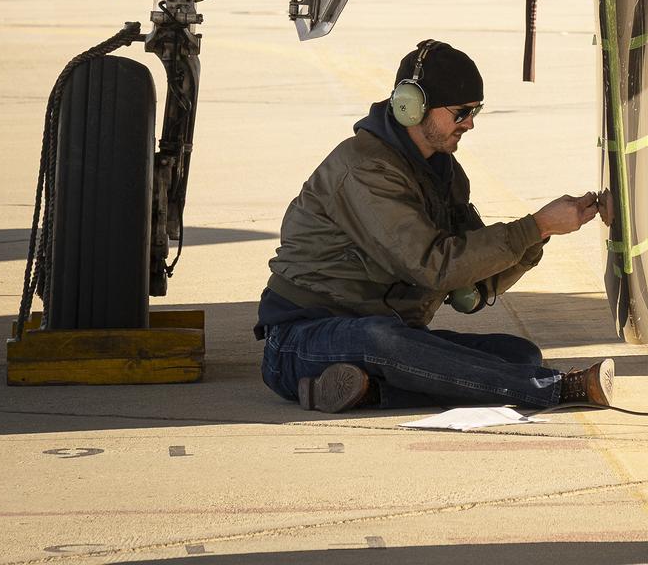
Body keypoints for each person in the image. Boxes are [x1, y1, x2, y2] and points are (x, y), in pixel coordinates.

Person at [256, 38, 613, 414]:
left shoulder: (444, 174)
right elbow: (435, 267)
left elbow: (472, 286)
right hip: (304, 341)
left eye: (476, 111)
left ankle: (372, 393)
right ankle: (557, 389)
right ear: (411, 107)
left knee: (520, 354)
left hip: (386, 333)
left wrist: (542, 233)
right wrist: (534, 225)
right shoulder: (364, 169)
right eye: (461, 112)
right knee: (382, 339)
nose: (470, 123)